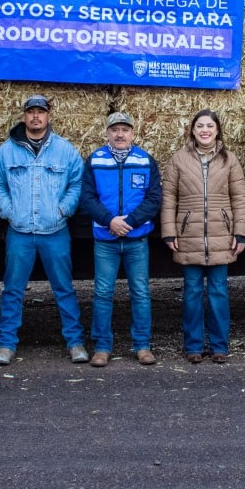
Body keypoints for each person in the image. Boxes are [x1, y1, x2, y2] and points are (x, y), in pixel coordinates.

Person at [0, 94, 88, 363]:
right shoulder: (6, 151)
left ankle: (75, 342)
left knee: (64, 288)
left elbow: (77, 183)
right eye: (31, 111)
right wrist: (8, 210)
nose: (36, 116)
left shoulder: (65, 150)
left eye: (40, 112)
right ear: (24, 116)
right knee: (12, 289)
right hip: (19, 232)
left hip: (55, 231)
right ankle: (6, 344)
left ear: (48, 116)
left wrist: (63, 209)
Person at [162, 110, 245, 364]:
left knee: (219, 292)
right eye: (200, 126)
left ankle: (220, 346)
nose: (205, 130)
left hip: (221, 235)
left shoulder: (229, 160)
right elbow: (169, 198)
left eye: (209, 126)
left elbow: (239, 198)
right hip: (189, 235)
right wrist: (169, 231)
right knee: (192, 292)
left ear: (217, 130)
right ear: (192, 130)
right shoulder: (178, 159)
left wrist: (240, 232)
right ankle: (194, 346)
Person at [80, 111, 162, 367]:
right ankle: (102, 347)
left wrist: (130, 222)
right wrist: (110, 221)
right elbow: (87, 198)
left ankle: (142, 345)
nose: (119, 134)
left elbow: (154, 198)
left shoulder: (145, 160)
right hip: (106, 239)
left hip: (136, 239)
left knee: (140, 292)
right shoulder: (95, 160)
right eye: (115, 130)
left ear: (133, 133)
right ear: (107, 133)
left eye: (125, 130)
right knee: (103, 293)